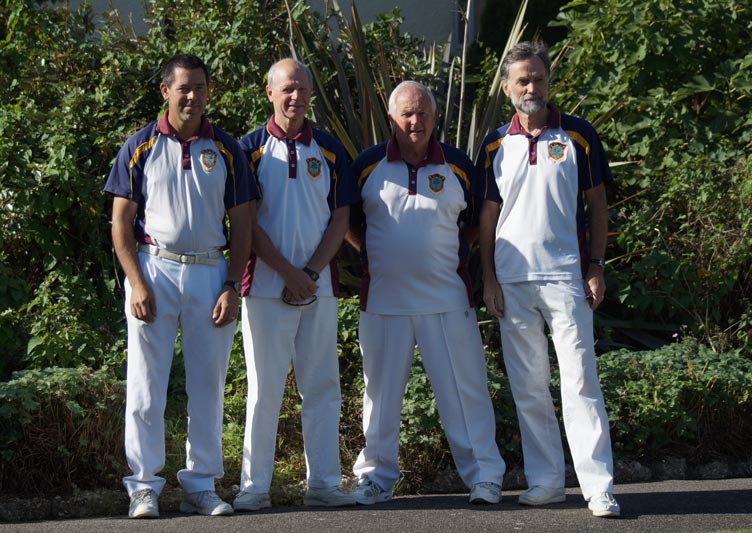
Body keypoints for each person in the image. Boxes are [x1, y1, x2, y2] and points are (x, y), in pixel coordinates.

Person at [104, 54, 258, 519]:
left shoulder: (227, 149)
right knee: (146, 385)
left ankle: (200, 485)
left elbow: (244, 225)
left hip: (212, 274)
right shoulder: (139, 145)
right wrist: (135, 281)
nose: (192, 96)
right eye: (184, 88)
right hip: (154, 270)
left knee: (207, 385)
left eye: (200, 87)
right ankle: (144, 486)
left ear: (209, 92)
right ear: (165, 92)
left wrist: (233, 284)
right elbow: (120, 222)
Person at [477, 40, 620, 518]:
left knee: (580, 382)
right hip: (512, 281)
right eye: (522, 80)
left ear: (548, 82)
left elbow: (597, 202)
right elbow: (487, 215)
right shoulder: (495, 143)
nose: (531, 87)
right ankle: (546, 482)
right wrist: (489, 279)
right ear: (507, 88)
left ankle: (598, 487)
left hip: (566, 277)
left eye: (538, 78)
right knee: (529, 385)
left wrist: (596, 264)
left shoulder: (578, 136)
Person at [346, 80, 506, 506]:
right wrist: (378, 254)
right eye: (407, 114)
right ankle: (375, 479)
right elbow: (345, 221)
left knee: (466, 392)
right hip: (382, 303)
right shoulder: (366, 165)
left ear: (435, 118)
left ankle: (485, 476)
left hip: (448, 301)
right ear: (392, 118)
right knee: (378, 398)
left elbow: (476, 222)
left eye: (424, 113)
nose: (416, 121)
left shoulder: (457, 165)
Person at [232, 58, 358, 512]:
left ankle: (323, 484)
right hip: (265, 288)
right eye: (287, 89)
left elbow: (340, 216)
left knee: (322, 386)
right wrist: (287, 273)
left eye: (303, 89)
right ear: (269, 93)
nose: (296, 97)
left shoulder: (327, 148)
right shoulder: (246, 149)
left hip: (318, 289)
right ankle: (254, 488)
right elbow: (244, 221)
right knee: (264, 390)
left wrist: (309, 275)